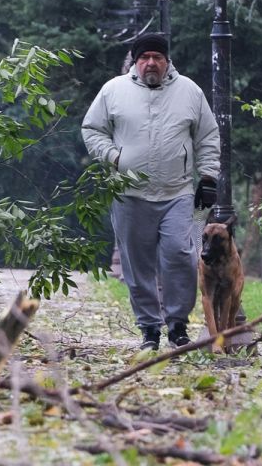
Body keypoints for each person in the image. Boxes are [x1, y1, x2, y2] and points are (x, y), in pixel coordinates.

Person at [81, 32, 220, 351]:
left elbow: (208, 136)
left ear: (168, 61)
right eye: (145, 58)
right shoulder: (113, 90)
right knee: (137, 263)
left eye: (158, 57)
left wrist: (209, 177)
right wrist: (113, 157)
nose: (151, 63)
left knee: (180, 255)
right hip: (129, 194)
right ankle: (149, 329)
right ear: (135, 61)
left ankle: (177, 325)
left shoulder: (189, 91)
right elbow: (92, 129)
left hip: (179, 193)